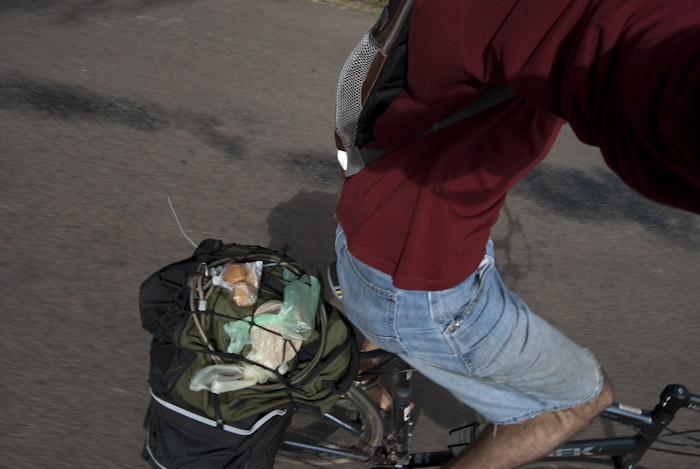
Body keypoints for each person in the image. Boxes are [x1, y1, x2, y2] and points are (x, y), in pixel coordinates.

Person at [332, 0, 699, 467]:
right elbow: (656, 73)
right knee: (580, 401)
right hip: (416, 280)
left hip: (374, 210)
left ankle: (361, 366)